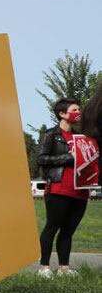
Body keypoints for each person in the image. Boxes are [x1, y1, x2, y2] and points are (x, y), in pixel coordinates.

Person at [37, 98, 89, 277]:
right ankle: (44, 267)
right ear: (62, 114)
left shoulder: (80, 138)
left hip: (80, 191)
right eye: (75, 110)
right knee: (52, 228)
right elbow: (41, 159)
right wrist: (67, 158)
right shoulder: (51, 135)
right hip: (58, 189)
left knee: (68, 231)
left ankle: (64, 268)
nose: (78, 113)